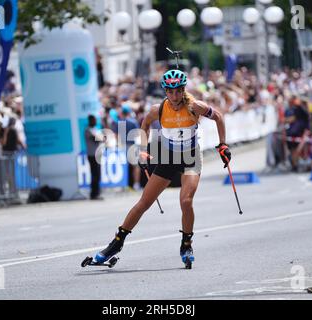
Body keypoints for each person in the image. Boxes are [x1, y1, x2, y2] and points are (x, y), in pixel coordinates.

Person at [90, 69, 231, 269]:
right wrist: (142, 150)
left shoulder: (195, 107)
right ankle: (116, 243)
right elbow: (145, 124)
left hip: (191, 156)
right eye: (170, 91)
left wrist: (223, 144)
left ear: (183, 90)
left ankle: (186, 245)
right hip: (168, 156)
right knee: (144, 202)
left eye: (178, 91)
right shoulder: (158, 109)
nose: (174, 96)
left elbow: (218, 117)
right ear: (165, 91)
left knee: (186, 201)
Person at [85, 114, 104, 200]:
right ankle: (94, 194)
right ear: (90, 121)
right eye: (94, 120)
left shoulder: (95, 129)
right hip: (92, 155)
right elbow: (97, 139)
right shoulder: (88, 130)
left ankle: (97, 192)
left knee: (98, 174)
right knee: (94, 174)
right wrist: (101, 137)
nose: (95, 121)